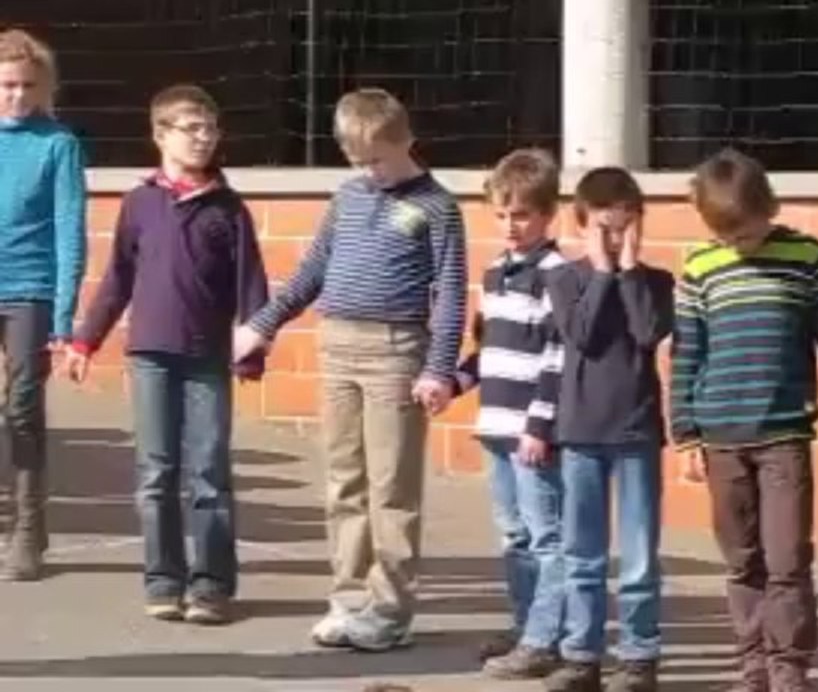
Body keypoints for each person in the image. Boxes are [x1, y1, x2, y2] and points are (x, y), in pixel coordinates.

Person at [232, 88, 467, 651]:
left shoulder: (437, 207)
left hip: (395, 351)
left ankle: (389, 608)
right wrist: (262, 324)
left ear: (406, 140)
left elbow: (452, 294)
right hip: (336, 346)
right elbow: (311, 270)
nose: (370, 172)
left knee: (391, 487)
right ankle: (348, 594)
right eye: (358, 162)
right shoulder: (348, 197)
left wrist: (438, 368)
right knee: (344, 481)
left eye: (378, 159)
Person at [64, 84, 268, 624]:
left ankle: (212, 584)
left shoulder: (229, 208)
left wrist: (251, 350)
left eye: (210, 128)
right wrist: (87, 338)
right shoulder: (139, 202)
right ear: (160, 135)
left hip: (206, 357)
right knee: (155, 471)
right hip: (151, 353)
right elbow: (118, 279)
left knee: (209, 471)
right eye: (190, 128)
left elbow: (252, 287)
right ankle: (163, 579)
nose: (204, 138)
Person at [671, 148, 818, 692]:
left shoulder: (804, 254)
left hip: (784, 432)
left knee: (788, 557)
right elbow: (687, 353)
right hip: (722, 437)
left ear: (767, 209)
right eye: (725, 237)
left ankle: (789, 668)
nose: (736, 246)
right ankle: (753, 668)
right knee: (742, 558)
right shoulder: (701, 265)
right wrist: (686, 435)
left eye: (744, 234)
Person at [542, 168, 674, 692]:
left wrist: (629, 271)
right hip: (581, 430)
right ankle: (581, 654)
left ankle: (639, 654)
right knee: (583, 552)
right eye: (603, 227)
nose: (615, 239)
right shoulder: (563, 278)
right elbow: (583, 336)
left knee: (639, 554)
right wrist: (600, 272)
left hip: (636, 429)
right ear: (582, 226)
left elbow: (647, 332)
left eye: (624, 227)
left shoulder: (655, 282)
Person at [451, 148, 565, 679]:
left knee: (546, 536)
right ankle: (525, 626)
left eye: (521, 214)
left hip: (531, 432)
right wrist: (454, 382)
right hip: (495, 425)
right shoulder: (496, 272)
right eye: (501, 214)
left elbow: (557, 357)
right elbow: (490, 349)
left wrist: (539, 425)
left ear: (547, 214)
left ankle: (548, 638)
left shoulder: (557, 274)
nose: (510, 226)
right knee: (513, 534)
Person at [0, 28, 86, 581]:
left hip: (29, 289)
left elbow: (69, 231)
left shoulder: (58, 144)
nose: (17, 96)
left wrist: (62, 316)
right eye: (7, 85)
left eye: (27, 85)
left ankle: (29, 531)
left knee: (23, 408)